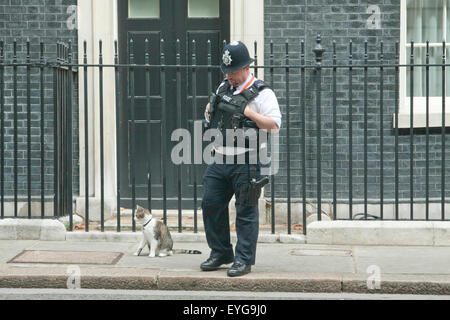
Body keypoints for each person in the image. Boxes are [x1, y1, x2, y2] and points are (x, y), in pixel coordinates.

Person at [200, 41, 281, 277]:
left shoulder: (263, 92)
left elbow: (274, 125)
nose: (229, 77)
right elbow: (211, 114)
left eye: (233, 72)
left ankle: (243, 260)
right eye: (226, 72)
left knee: (245, 211)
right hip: (220, 157)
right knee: (211, 203)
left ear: (246, 68)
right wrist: (209, 109)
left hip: (248, 160)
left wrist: (249, 112)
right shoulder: (224, 87)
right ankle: (221, 253)